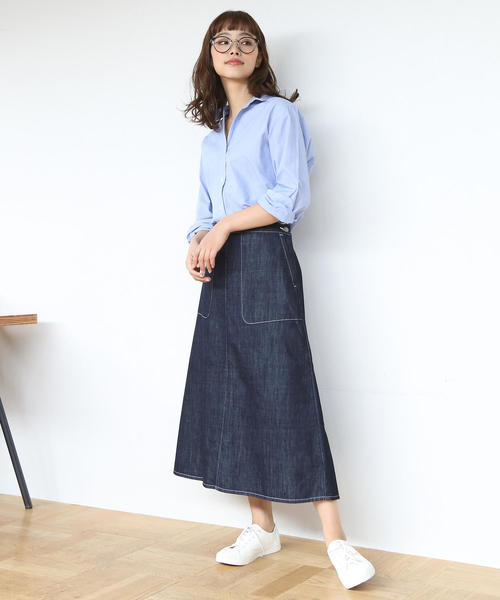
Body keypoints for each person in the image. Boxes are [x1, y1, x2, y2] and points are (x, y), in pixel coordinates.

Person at [173, 10, 376, 590]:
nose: (234, 49)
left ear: (259, 55)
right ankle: (261, 527)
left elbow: (289, 196)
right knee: (231, 390)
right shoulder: (212, 137)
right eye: (222, 41)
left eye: (246, 41)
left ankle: (336, 540)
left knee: (286, 388)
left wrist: (221, 229)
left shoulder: (279, 114)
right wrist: (196, 242)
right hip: (221, 268)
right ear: (210, 56)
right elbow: (202, 212)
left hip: (264, 257)